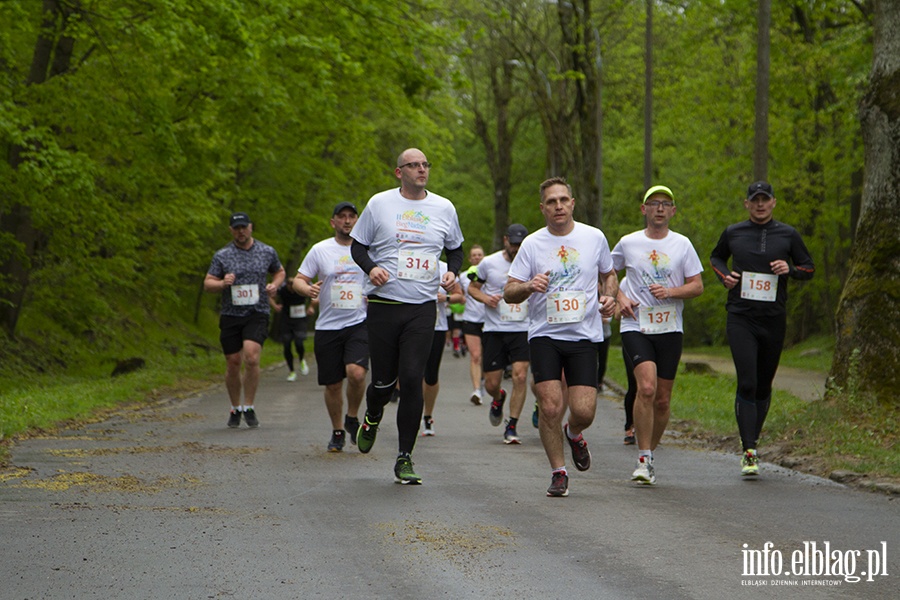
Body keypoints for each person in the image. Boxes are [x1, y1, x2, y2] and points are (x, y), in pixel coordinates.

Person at [350, 148, 464, 485]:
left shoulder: (444, 207)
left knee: (413, 378)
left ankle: (404, 457)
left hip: (422, 307)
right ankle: (371, 415)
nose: (421, 170)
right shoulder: (379, 204)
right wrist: (371, 269)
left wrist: (452, 272)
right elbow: (358, 246)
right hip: (385, 306)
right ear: (399, 172)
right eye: (414, 165)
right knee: (383, 383)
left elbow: (455, 249)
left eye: (425, 164)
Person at [504, 177, 618, 497]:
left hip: (583, 335)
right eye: (551, 202)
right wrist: (528, 286)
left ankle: (575, 433)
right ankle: (558, 471)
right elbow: (509, 292)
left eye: (563, 200)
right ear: (542, 208)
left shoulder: (593, 237)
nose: (558, 206)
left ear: (572, 204)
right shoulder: (532, 245)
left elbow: (609, 274)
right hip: (545, 335)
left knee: (583, 411)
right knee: (551, 406)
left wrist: (610, 297)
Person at [710, 181, 814, 477]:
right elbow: (716, 257)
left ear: (773, 202)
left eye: (764, 200)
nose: (759, 204)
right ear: (746, 204)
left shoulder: (788, 234)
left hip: (773, 318)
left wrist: (789, 270)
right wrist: (724, 277)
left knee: (764, 384)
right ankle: (750, 449)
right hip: (741, 316)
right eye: (754, 200)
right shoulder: (733, 232)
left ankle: (751, 439)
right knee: (747, 381)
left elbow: (809, 268)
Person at [612, 185, 704, 485]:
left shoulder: (683, 245)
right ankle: (643, 457)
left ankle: (650, 452)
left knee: (663, 400)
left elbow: (697, 286)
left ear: (673, 211)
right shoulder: (628, 243)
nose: (660, 208)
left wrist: (671, 291)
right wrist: (619, 299)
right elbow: (606, 275)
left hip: (669, 327)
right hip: (635, 324)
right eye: (654, 203)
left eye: (666, 204)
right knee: (647, 389)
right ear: (644, 210)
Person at [294, 202, 369, 452]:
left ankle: (353, 416)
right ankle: (338, 430)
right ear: (333, 222)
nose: (347, 221)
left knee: (356, 373)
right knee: (333, 384)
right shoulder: (320, 250)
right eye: (342, 217)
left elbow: (382, 277)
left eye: (351, 217)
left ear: (358, 221)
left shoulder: (368, 250)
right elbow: (299, 280)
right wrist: (308, 289)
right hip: (327, 326)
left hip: (359, 322)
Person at [204, 212, 285, 429]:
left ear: (251, 227)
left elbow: (280, 272)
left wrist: (274, 285)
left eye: (244, 227)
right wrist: (222, 283)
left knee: (250, 356)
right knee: (233, 362)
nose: (241, 231)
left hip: (257, 312)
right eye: (236, 228)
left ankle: (248, 405)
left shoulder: (266, 251)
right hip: (231, 314)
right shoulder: (222, 255)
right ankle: (235, 407)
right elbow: (208, 283)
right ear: (231, 230)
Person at [468, 224, 531, 445]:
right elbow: (472, 288)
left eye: (520, 244)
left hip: (522, 329)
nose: (516, 248)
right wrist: (485, 299)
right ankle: (498, 398)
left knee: (520, 376)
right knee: (492, 384)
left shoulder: (532, 262)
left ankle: (512, 424)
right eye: (513, 244)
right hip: (495, 329)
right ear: (505, 240)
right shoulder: (489, 263)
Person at [422, 261, 465, 436]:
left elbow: (459, 296)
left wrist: (444, 298)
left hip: (436, 327)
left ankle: (428, 416)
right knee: (411, 373)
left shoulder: (445, 267)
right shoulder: (404, 260)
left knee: (431, 376)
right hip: (410, 328)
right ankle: (411, 413)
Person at [270, 275, 311, 381]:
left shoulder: (302, 288)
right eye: (290, 286)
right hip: (286, 319)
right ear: (287, 285)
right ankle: (291, 371)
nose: (292, 289)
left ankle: (302, 359)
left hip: (300, 320)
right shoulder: (282, 290)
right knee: (287, 344)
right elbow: (269, 295)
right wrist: (275, 306)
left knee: (299, 342)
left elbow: (315, 294)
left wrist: (311, 307)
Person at [460, 245, 486, 405]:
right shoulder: (463, 276)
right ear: (470, 259)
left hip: (490, 320)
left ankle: (483, 380)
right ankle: (476, 390)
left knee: (486, 357)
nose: (477, 257)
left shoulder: (490, 274)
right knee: (475, 355)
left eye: (480, 255)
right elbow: (459, 294)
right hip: (470, 319)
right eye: (474, 255)